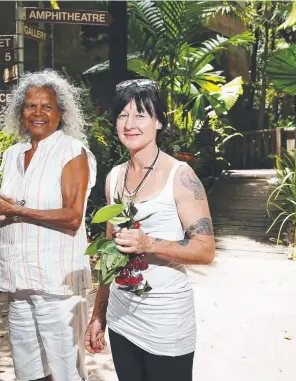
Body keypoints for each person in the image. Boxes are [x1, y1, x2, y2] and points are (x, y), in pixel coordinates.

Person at [0, 69, 97, 381]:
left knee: (65, 371)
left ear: (60, 112)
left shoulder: (71, 151)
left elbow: (72, 217)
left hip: (57, 282)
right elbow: (8, 211)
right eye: (30, 106)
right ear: (19, 111)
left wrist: (17, 211)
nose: (38, 113)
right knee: (28, 371)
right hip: (19, 279)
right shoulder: (13, 154)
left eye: (47, 106)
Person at [84, 79, 215, 381]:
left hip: (166, 320)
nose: (130, 124)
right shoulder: (115, 177)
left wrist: (148, 243)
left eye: (141, 115)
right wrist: (98, 315)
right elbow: (109, 254)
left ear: (158, 121)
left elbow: (206, 250)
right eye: (122, 115)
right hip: (121, 317)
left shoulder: (181, 177)